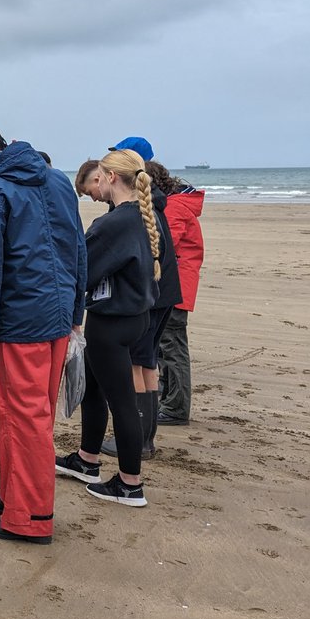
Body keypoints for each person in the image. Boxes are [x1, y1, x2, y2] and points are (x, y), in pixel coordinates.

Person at [0, 127, 85, 545]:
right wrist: (76, 311)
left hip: (22, 319)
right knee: (27, 414)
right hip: (56, 312)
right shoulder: (57, 178)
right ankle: (17, 497)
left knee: (24, 415)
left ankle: (30, 516)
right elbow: (77, 248)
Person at [56, 149, 160, 507]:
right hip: (135, 316)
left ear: (112, 176)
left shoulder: (115, 224)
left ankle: (130, 484)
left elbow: (81, 269)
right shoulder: (140, 217)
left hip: (112, 322)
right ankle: (87, 460)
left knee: (122, 402)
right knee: (93, 390)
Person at [101, 145, 182, 461]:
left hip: (150, 296)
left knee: (138, 364)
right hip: (163, 293)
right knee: (147, 363)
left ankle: (138, 441)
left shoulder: (137, 211)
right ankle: (146, 438)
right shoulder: (154, 205)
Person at [151, 163, 205, 425]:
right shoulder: (175, 205)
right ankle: (170, 400)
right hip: (176, 283)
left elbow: (161, 244)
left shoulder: (174, 207)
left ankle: (176, 407)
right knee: (166, 344)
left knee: (172, 345)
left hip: (176, 285)